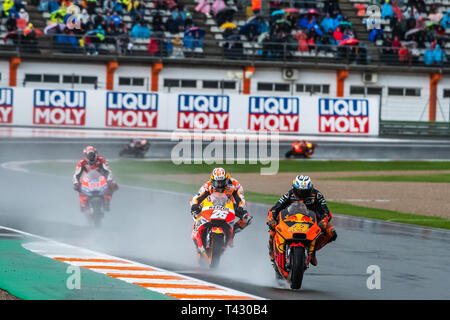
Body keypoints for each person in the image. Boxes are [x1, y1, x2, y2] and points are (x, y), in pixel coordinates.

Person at [266, 175, 337, 270]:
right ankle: (272, 249)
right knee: (273, 226)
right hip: (291, 219)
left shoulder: (317, 195)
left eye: (305, 191)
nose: (302, 193)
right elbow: (275, 209)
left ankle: (313, 250)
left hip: (312, 220)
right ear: (294, 188)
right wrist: (271, 219)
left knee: (331, 233)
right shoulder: (289, 195)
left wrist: (323, 221)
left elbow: (326, 212)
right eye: (299, 191)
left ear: (310, 188)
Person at [189, 168, 252, 254]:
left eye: (222, 182)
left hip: (228, 207)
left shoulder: (235, 185)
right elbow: (196, 198)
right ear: (212, 181)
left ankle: (232, 233)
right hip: (210, 206)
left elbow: (241, 200)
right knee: (196, 214)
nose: (219, 185)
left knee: (247, 218)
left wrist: (241, 208)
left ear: (226, 180)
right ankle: (197, 233)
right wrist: (194, 206)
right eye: (217, 182)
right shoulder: (207, 186)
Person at [72, 146, 118, 213]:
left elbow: (108, 171)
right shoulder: (82, 162)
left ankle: (107, 201)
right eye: (89, 156)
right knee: (80, 187)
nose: (91, 157)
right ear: (86, 156)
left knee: (113, 185)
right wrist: (76, 183)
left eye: (93, 155)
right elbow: (76, 175)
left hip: (101, 178)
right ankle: (83, 203)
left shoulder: (101, 159)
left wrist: (109, 180)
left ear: (95, 154)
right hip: (87, 179)